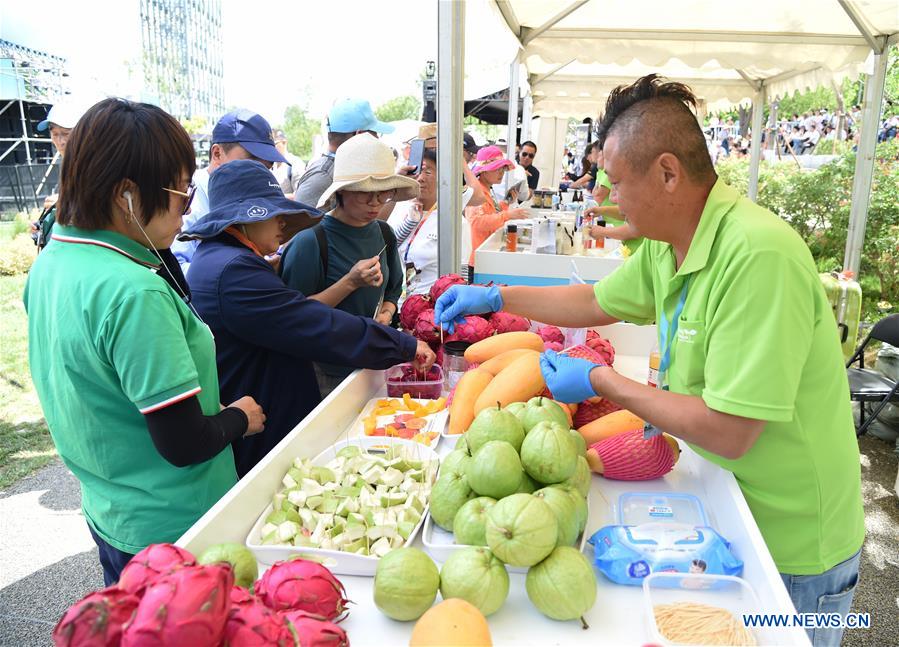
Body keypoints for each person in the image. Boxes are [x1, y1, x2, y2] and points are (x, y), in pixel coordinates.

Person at [435, 74, 864, 647]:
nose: (604, 198)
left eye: (615, 182)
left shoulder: (759, 257)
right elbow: (593, 300)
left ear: (667, 172)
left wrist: (602, 381)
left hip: (792, 548)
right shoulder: (671, 243)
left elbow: (732, 431)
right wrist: (496, 296)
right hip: (722, 511)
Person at [24, 98, 265, 584]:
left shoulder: (52, 262)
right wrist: (241, 417)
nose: (188, 208)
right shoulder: (134, 292)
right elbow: (183, 441)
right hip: (176, 528)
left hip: (111, 511)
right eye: (181, 193)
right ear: (127, 195)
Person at [184, 159, 433, 476]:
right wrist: (400, 344)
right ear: (245, 221)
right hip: (260, 431)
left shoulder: (223, 260)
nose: (282, 225)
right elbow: (316, 324)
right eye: (275, 216)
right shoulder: (235, 271)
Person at [281, 134, 420, 396]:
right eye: (365, 194)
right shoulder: (310, 241)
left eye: (383, 194)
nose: (375, 203)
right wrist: (350, 282)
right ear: (341, 192)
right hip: (324, 372)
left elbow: (393, 290)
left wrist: (386, 315)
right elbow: (293, 318)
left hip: (371, 362)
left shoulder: (384, 233)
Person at [171, 109, 287, 275]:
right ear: (217, 153)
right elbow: (175, 267)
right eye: (252, 162)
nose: (259, 173)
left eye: (267, 167)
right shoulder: (189, 199)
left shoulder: (258, 195)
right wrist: (242, 269)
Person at [293, 98, 394, 207]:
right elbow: (300, 222)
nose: (377, 138)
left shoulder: (345, 170)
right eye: (374, 133)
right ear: (359, 135)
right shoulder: (323, 177)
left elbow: (366, 223)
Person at [464, 145, 528, 276]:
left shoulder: (485, 189)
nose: (501, 173)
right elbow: (477, 222)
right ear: (484, 171)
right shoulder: (478, 193)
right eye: (496, 169)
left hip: (484, 256)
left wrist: (505, 203)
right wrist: (507, 215)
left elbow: (490, 212)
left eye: (503, 169)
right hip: (479, 260)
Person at [31, 100, 87, 250]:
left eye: (66, 134)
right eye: (55, 134)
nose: (60, 141)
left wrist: (63, 201)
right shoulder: (68, 164)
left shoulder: (95, 163)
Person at [586, 147, 643, 253]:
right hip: (628, 250)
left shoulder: (641, 187)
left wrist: (603, 231)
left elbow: (636, 227)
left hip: (637, 251)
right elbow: (627, 212)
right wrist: (601, 210)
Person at [271, 129, 306, 197]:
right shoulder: (270, 164)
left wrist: (276, 198)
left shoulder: (296, 164)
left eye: (274, 144)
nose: (271, 148)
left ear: (284, 142)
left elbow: (300, 195)